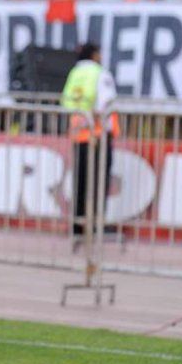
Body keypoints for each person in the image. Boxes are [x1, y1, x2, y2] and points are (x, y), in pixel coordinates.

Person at [60, 43, 118, 249]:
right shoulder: (99, 73)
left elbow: (66, 102)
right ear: (95, 54)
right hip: (98, 136)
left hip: (79, 135)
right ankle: (94, 227)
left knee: (80, 184)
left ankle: (77, 227)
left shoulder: (75, 73)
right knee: (99, 183)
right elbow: (106, 103)